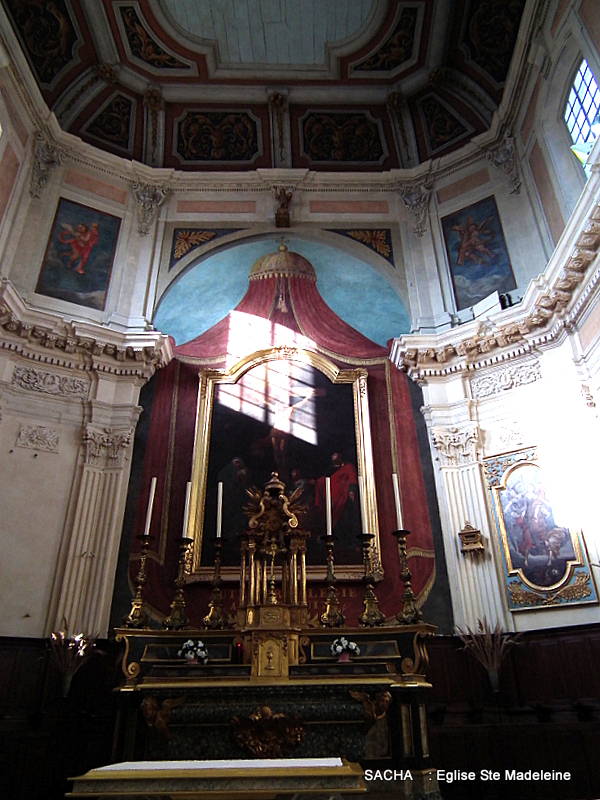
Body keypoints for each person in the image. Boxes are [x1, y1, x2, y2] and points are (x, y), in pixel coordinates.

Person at [314, 452, 362, 562]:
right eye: (332, 456)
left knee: (345, 521)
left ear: (340, 456)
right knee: (336, 526)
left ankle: (351, 545)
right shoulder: (332, 470)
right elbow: (327, 480)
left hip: (344, 501)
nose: (332, 457)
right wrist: (316, 482)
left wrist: (351, 491)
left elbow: (352, 479)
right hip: (333, 503)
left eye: (334, 455)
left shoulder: (348, 467)